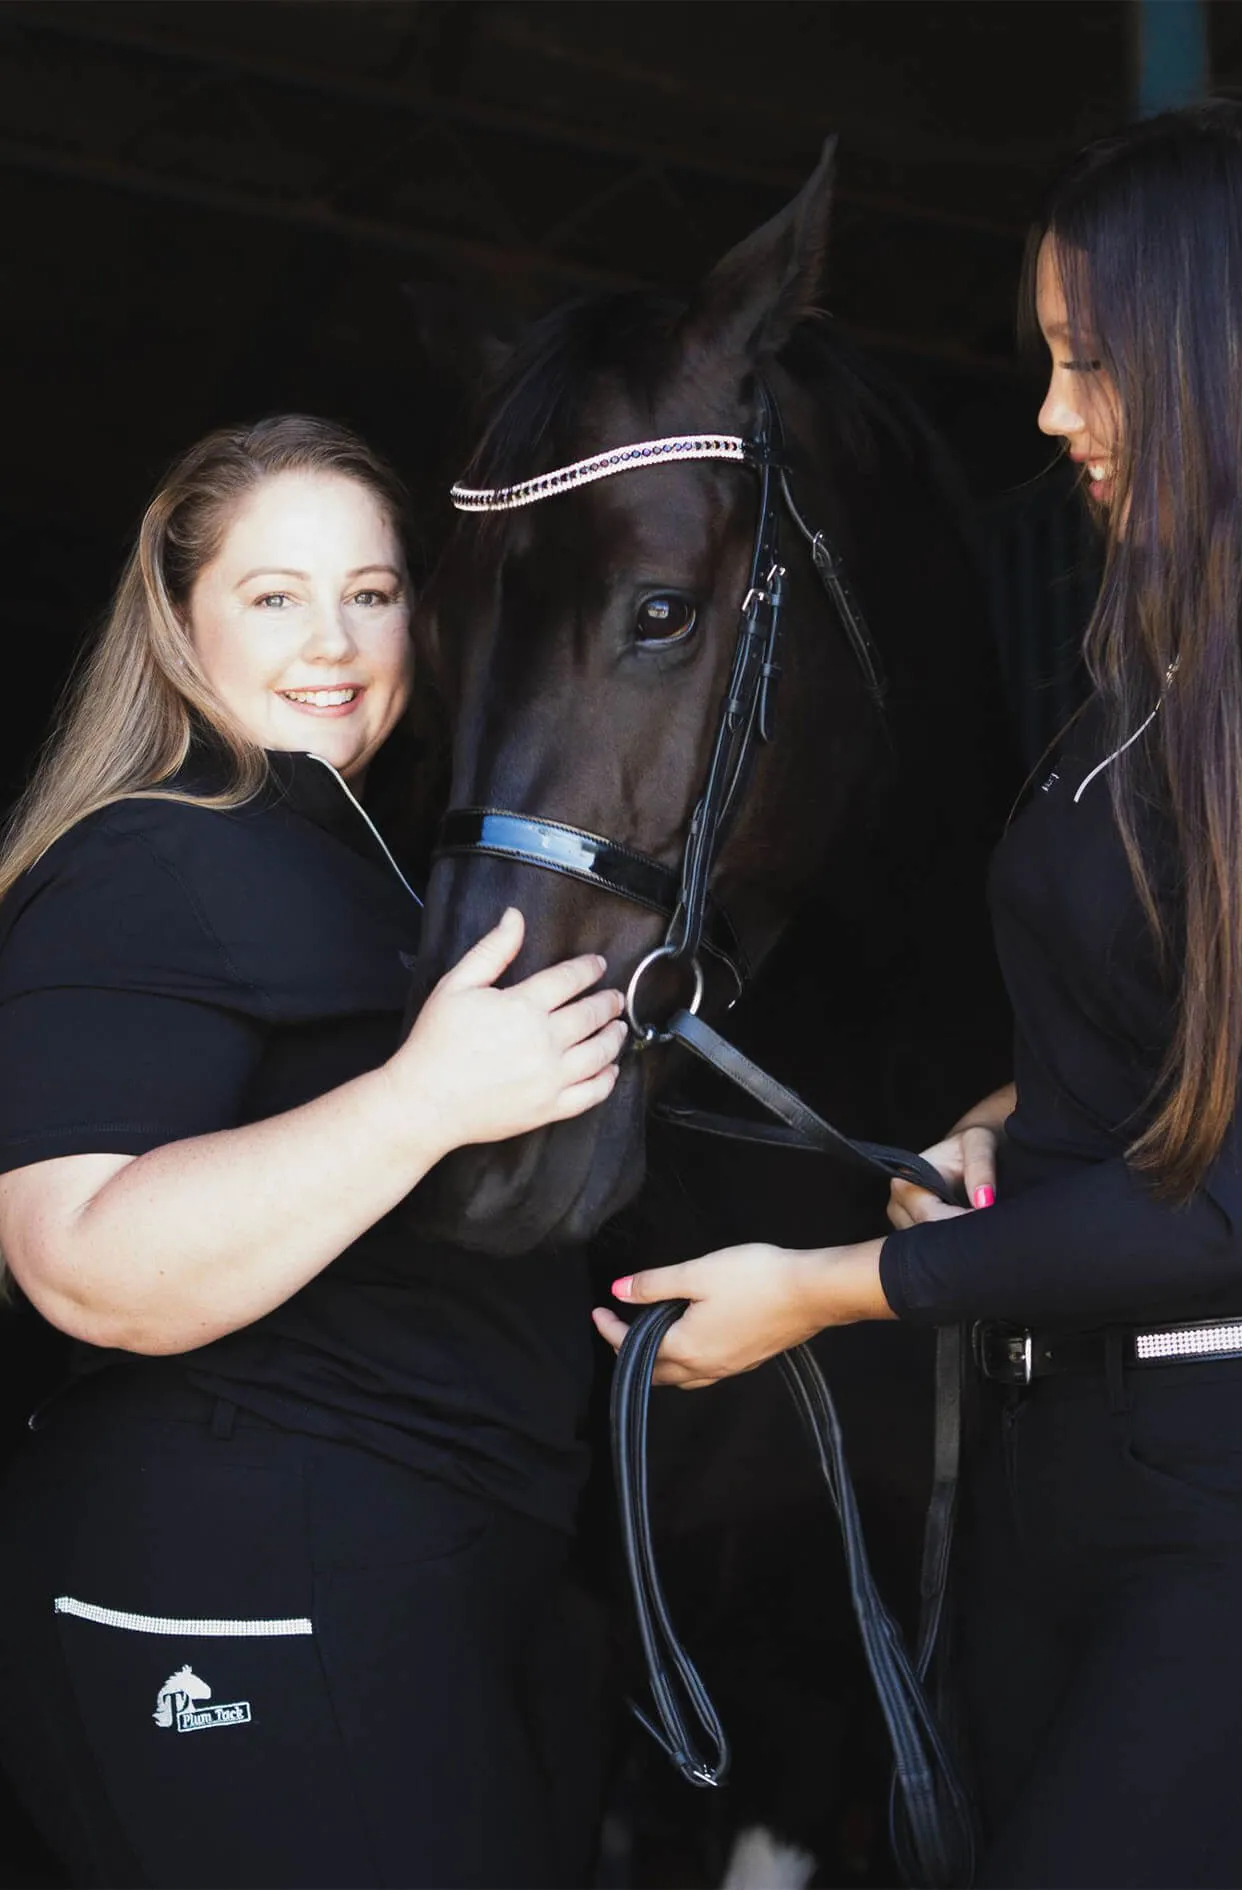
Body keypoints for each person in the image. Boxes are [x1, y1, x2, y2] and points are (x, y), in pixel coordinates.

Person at [595, 99, 1242, 1888]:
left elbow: (1230, 1208)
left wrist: (823, 1290)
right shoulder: (1152, 679)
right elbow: (1146, 1054)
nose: (1050, 415)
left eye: (1092, 363)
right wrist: (1000, 1128)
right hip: (1076, 1466)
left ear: (1230, 361)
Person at [0, 416, 625, 1890]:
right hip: (243, 1558)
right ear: (178, 620)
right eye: (273, 595)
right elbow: (82, 1260)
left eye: (374, 589)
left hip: (428, 1548)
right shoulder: (145, 854)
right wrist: (422, 1098)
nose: (333, 638)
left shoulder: (368, 874)